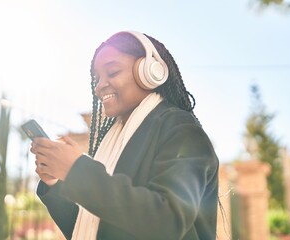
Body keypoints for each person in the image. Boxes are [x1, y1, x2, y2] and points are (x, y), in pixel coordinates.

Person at [30, 30, 220, 240]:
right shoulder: (113, 141)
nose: (99, 86)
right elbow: (96, 230)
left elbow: (167, 221)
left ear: (150, 71)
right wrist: (55, 183)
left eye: (112, 72)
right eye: (97, 78)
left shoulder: (181, 129)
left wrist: (76, 170)